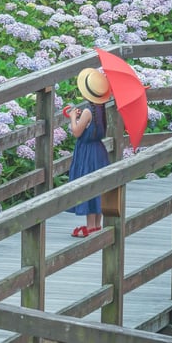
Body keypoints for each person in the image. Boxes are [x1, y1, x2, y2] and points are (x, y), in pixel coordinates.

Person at [66, 67, 111, 237]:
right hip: (99, 150)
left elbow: (77, 132)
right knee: (98, 186)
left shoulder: (87, 111)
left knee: (88, 185)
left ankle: (90, 226)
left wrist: (72, 117)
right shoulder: (101, 109)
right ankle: (97, 225)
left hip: (86, 152)